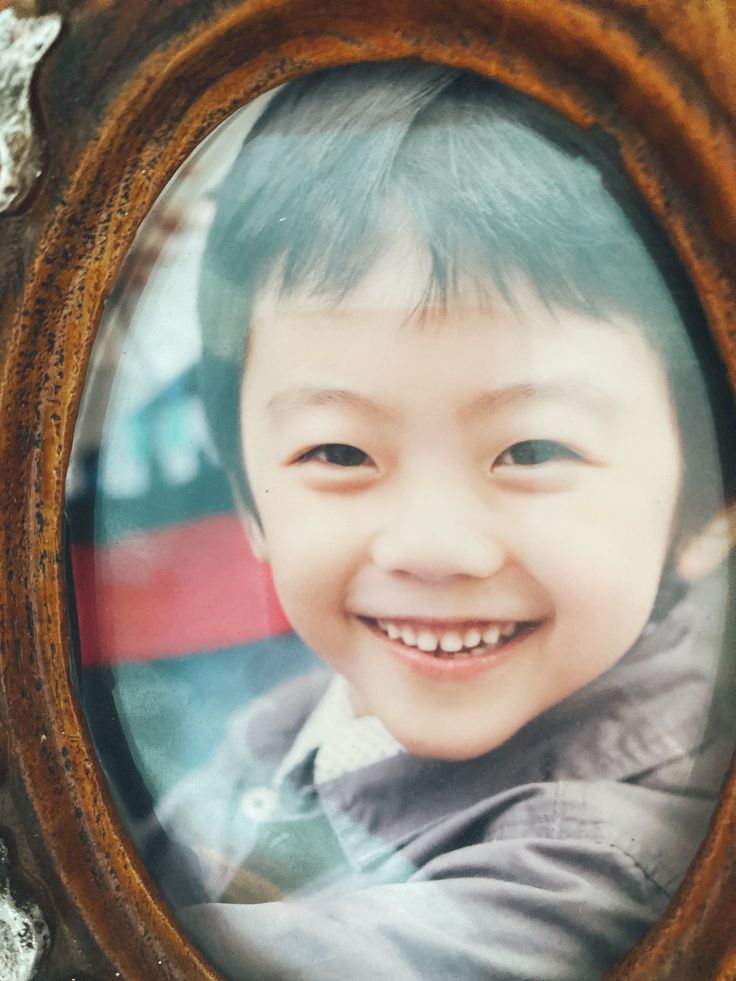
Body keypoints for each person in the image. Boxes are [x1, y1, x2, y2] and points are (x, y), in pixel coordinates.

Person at [140, 62, 735, 979]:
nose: (433, 546)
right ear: (250, 500)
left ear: (712, 503)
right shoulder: (295, 719)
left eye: (533, 451)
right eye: (338, 453)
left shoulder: (612, 856)